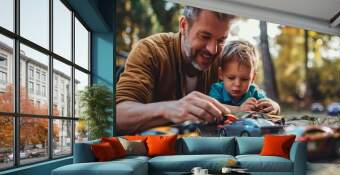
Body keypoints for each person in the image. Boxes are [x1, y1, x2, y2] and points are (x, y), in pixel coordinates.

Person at [116, 6, 280, 133]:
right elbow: (119, 114)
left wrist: (269, 107)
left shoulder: (223, 61)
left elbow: (249, 96)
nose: (213, 49)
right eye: (205, 36)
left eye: (221, 39)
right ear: (184, 26)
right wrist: (168, 109)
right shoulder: (150, 51)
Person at [209, 40, 280, 114]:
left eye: (244, 79)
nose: (237, 84)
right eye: (231, 78)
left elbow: (269, 105)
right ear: (221, 74)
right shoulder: (217, 89)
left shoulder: (254, 92)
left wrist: (275, 107)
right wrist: (239, 110)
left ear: (252, 78)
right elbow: (213, 107)